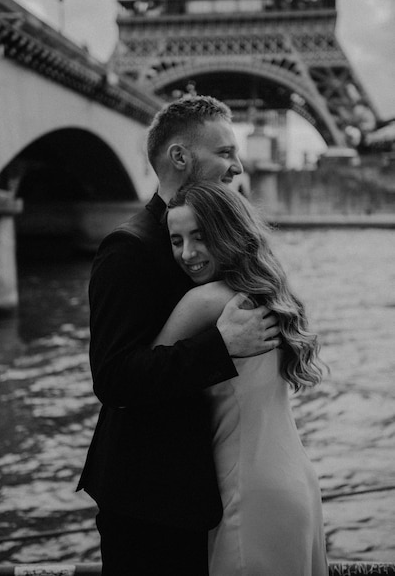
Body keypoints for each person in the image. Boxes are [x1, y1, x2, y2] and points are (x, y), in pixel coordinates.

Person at [77, 95, 281, 576]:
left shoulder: (214, 243)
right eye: (226, 152)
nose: (238, 164)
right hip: (150, 498)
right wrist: (220, 347)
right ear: (181, 158)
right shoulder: (128, 249)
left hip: (201, 489)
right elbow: (113, 378)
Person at [154, 180, 329, 576]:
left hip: (249, 493)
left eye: (200, 237)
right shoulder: (268, 292)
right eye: (176, 240)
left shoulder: (203, 302)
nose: (187, 253)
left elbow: (141, 382)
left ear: (227, 233)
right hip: (295, 480)